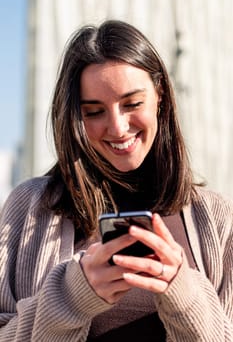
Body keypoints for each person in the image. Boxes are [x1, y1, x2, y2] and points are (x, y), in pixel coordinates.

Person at [0, 19, 232, 342]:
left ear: (160, 95)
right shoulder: (30, 208)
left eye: (132, 104)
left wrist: (181, 288)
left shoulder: (214, 216)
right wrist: (72, 296)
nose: (118, 128)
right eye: (94, 111)